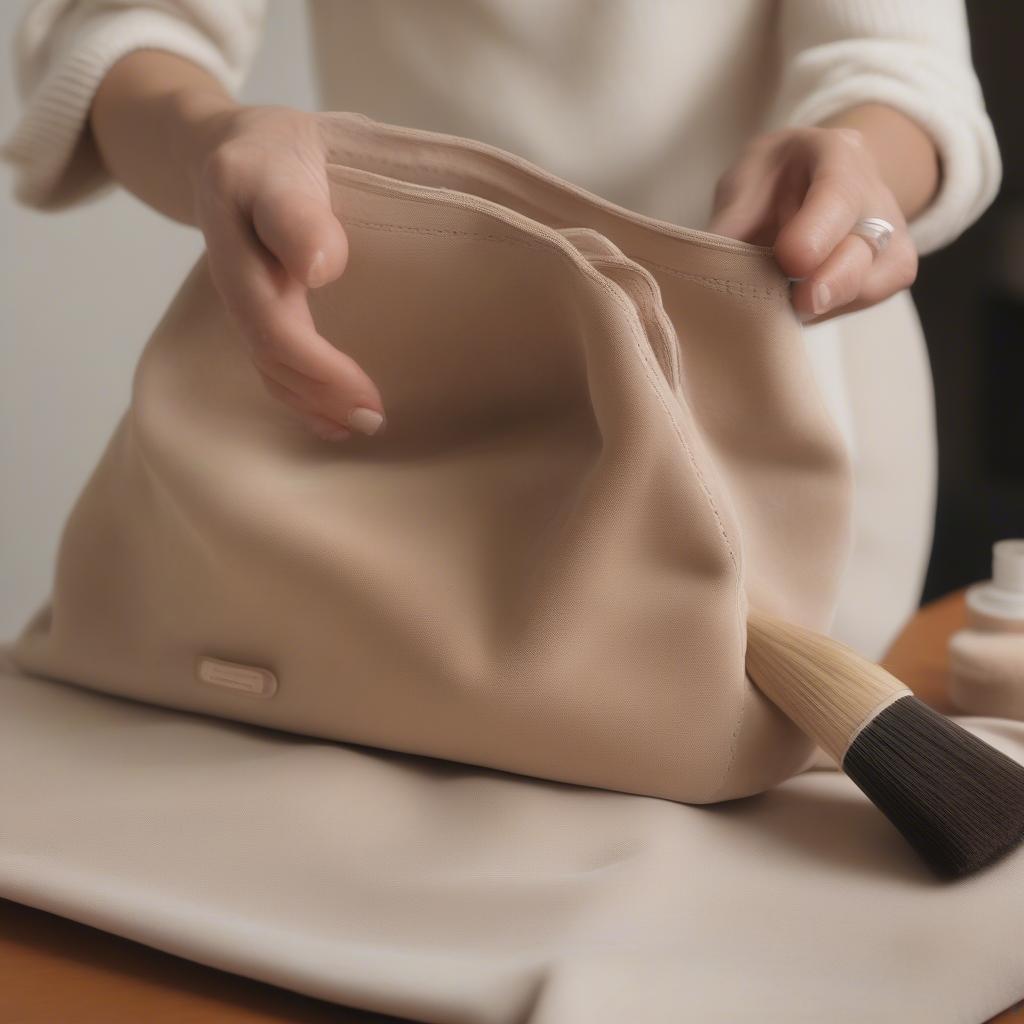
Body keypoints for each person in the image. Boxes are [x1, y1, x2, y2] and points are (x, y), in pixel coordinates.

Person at [2, 0, 1001, 661]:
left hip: (763, 440)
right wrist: (211, 141)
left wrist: (857, 176)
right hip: (395, 437)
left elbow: (897, 66)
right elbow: (126, 30)